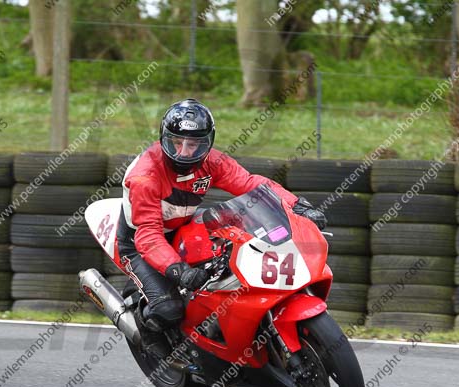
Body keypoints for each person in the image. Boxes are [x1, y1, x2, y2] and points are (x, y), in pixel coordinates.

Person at [116, 98, 326, 356]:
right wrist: (179, 270)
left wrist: (296, 206)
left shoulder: (212, 162)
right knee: (168, 309)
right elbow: (147, 235)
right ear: (164, 138)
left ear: (208, 142)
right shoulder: (145, 177)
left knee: (232, 253)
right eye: (177, 142)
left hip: (183, 223)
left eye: (193, 144)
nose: (184, 152)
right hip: (139, 242)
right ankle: (147, 334)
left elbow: (251, 184)